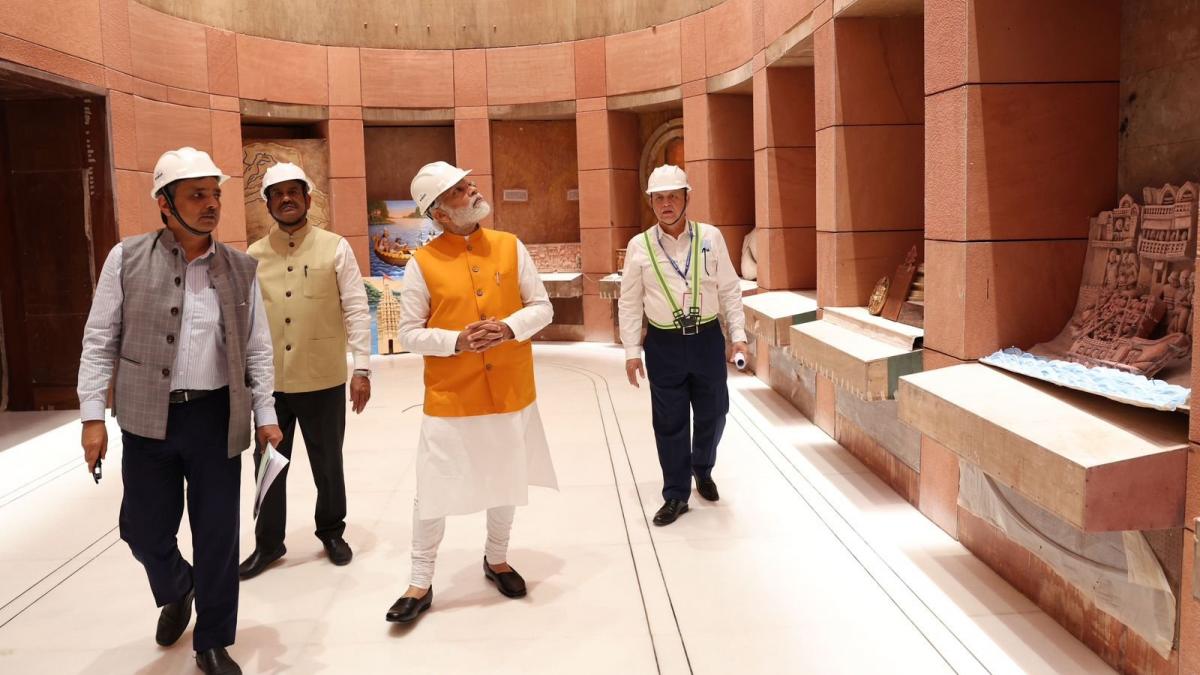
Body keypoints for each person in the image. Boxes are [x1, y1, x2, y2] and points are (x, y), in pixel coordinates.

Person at [78, 147, 283, 675]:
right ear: (165, 204)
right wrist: (92, 416)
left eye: (215, 194)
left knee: (217, 534)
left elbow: (258, 347)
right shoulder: (125, 258)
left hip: (216, 418)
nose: (212, 204)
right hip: (148, 417)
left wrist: (265, 414)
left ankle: (213, 640)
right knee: (142, 530)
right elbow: (100, 338)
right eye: (197, 195)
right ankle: (178, 587)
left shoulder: (239, 267)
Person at [386, 161, 557, 624]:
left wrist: (507, 328)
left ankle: (496, 558)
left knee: (506, 478)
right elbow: (409, 334)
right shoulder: (422, 263)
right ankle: (420, 581)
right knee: (433, 487)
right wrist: (456, 340)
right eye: (459, 191)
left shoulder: (509, 247)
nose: (472, 190)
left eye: (468, 184)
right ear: (438, 213)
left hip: (508, 388)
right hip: (451, 394)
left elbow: (542, 308)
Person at [238, 162, 372, 579]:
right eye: (277, 194)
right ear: (268, 204)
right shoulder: (253, 256)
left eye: (293, 192)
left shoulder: (335, 246)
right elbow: (245, 321)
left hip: (323, 378)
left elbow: (355, 306)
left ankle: (331, 530)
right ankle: (268, 544)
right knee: (269, 464)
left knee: (328, 463)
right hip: (270, 385)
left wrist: (362, 368)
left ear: (308, 199)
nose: (286, 200)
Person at [618, 164, 748, 526]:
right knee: (670, 422)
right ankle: (675, 493)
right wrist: (632, 352)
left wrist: (738, 337)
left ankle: (701, 467)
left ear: (687, 197)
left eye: (673, 196)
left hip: (706, 338)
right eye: (659, 198)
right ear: (651, 203)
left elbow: (729, 290)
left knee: (715, 412)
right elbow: (629, 302)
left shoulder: (710, 237)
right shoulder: (638, 246)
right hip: (664, 343)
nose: (666, 204)